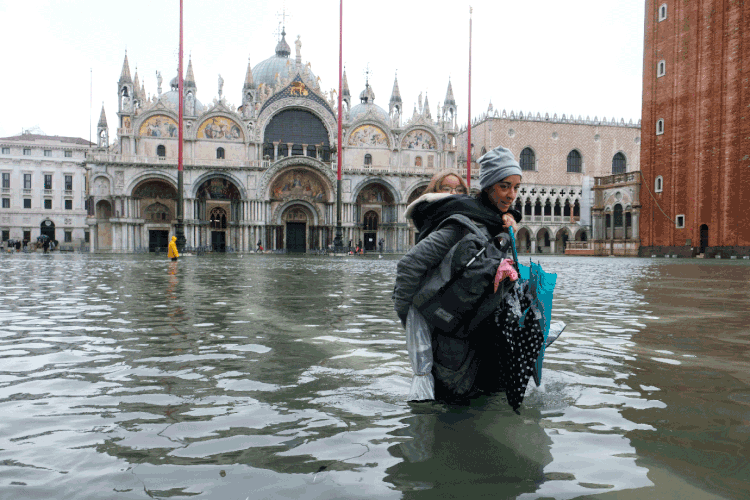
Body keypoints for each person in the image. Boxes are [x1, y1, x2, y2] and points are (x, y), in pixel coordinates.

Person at [393, 146, 522, 402]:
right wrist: (412, 321)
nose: (512, 195)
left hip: (481, 342)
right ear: (488, 186)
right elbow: (409, 267)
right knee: (451, 417)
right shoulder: (461, 224)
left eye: (516, 188)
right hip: (451, 349)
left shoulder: (495, 223)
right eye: (505, 186)